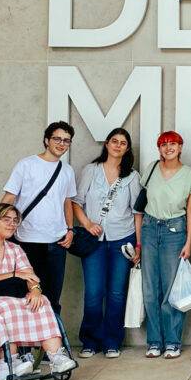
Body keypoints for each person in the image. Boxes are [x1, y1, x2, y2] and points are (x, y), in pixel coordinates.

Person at [0, 203, 76, 380]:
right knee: (8, 305)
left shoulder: (15, 249)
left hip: (9, 297)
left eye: (15, 221)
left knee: (42, 301)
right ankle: (9, 362)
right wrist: (13, 275)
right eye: (6, 220)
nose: (12, 224)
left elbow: (30, 277)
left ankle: (56, 357)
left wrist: (36, 291)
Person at [72, 128, 141, 358]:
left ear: (127, 148)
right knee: (93, 293)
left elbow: (137, 212)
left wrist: (138, 245)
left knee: (116, 293)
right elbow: (76, 202)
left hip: (123, 238)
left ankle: (113, 341)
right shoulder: (91, 170)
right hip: (94, 240)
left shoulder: (132, 176)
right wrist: (87, 224)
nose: (118, 145)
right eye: (114, 141)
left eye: (123, 142)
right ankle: (90, 341)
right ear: (107, 144)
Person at [1, 121, 77, 314]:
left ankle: (51, 343)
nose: (61, 143)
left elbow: (67, 201)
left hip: (56, 241)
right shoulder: (26, 164)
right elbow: (10, 197)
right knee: (28, 293)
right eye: (57, 139)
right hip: (27, 240)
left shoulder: (67, 170)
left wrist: (70, 229)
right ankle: (29, 342)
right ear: (46, 140)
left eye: (66, 141)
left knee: (53, 296)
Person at [135, 131, 191, 359]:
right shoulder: (151, 169)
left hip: (175, 230)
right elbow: (140, 209)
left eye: (173, 144)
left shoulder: (189, 174)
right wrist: (139, 242)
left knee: (172, 288)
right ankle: (154, 341)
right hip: (150, 229)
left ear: (181, 147)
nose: (168, 147)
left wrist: (189, 241)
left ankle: (172, 341)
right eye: (163, 144)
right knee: (151, 288)